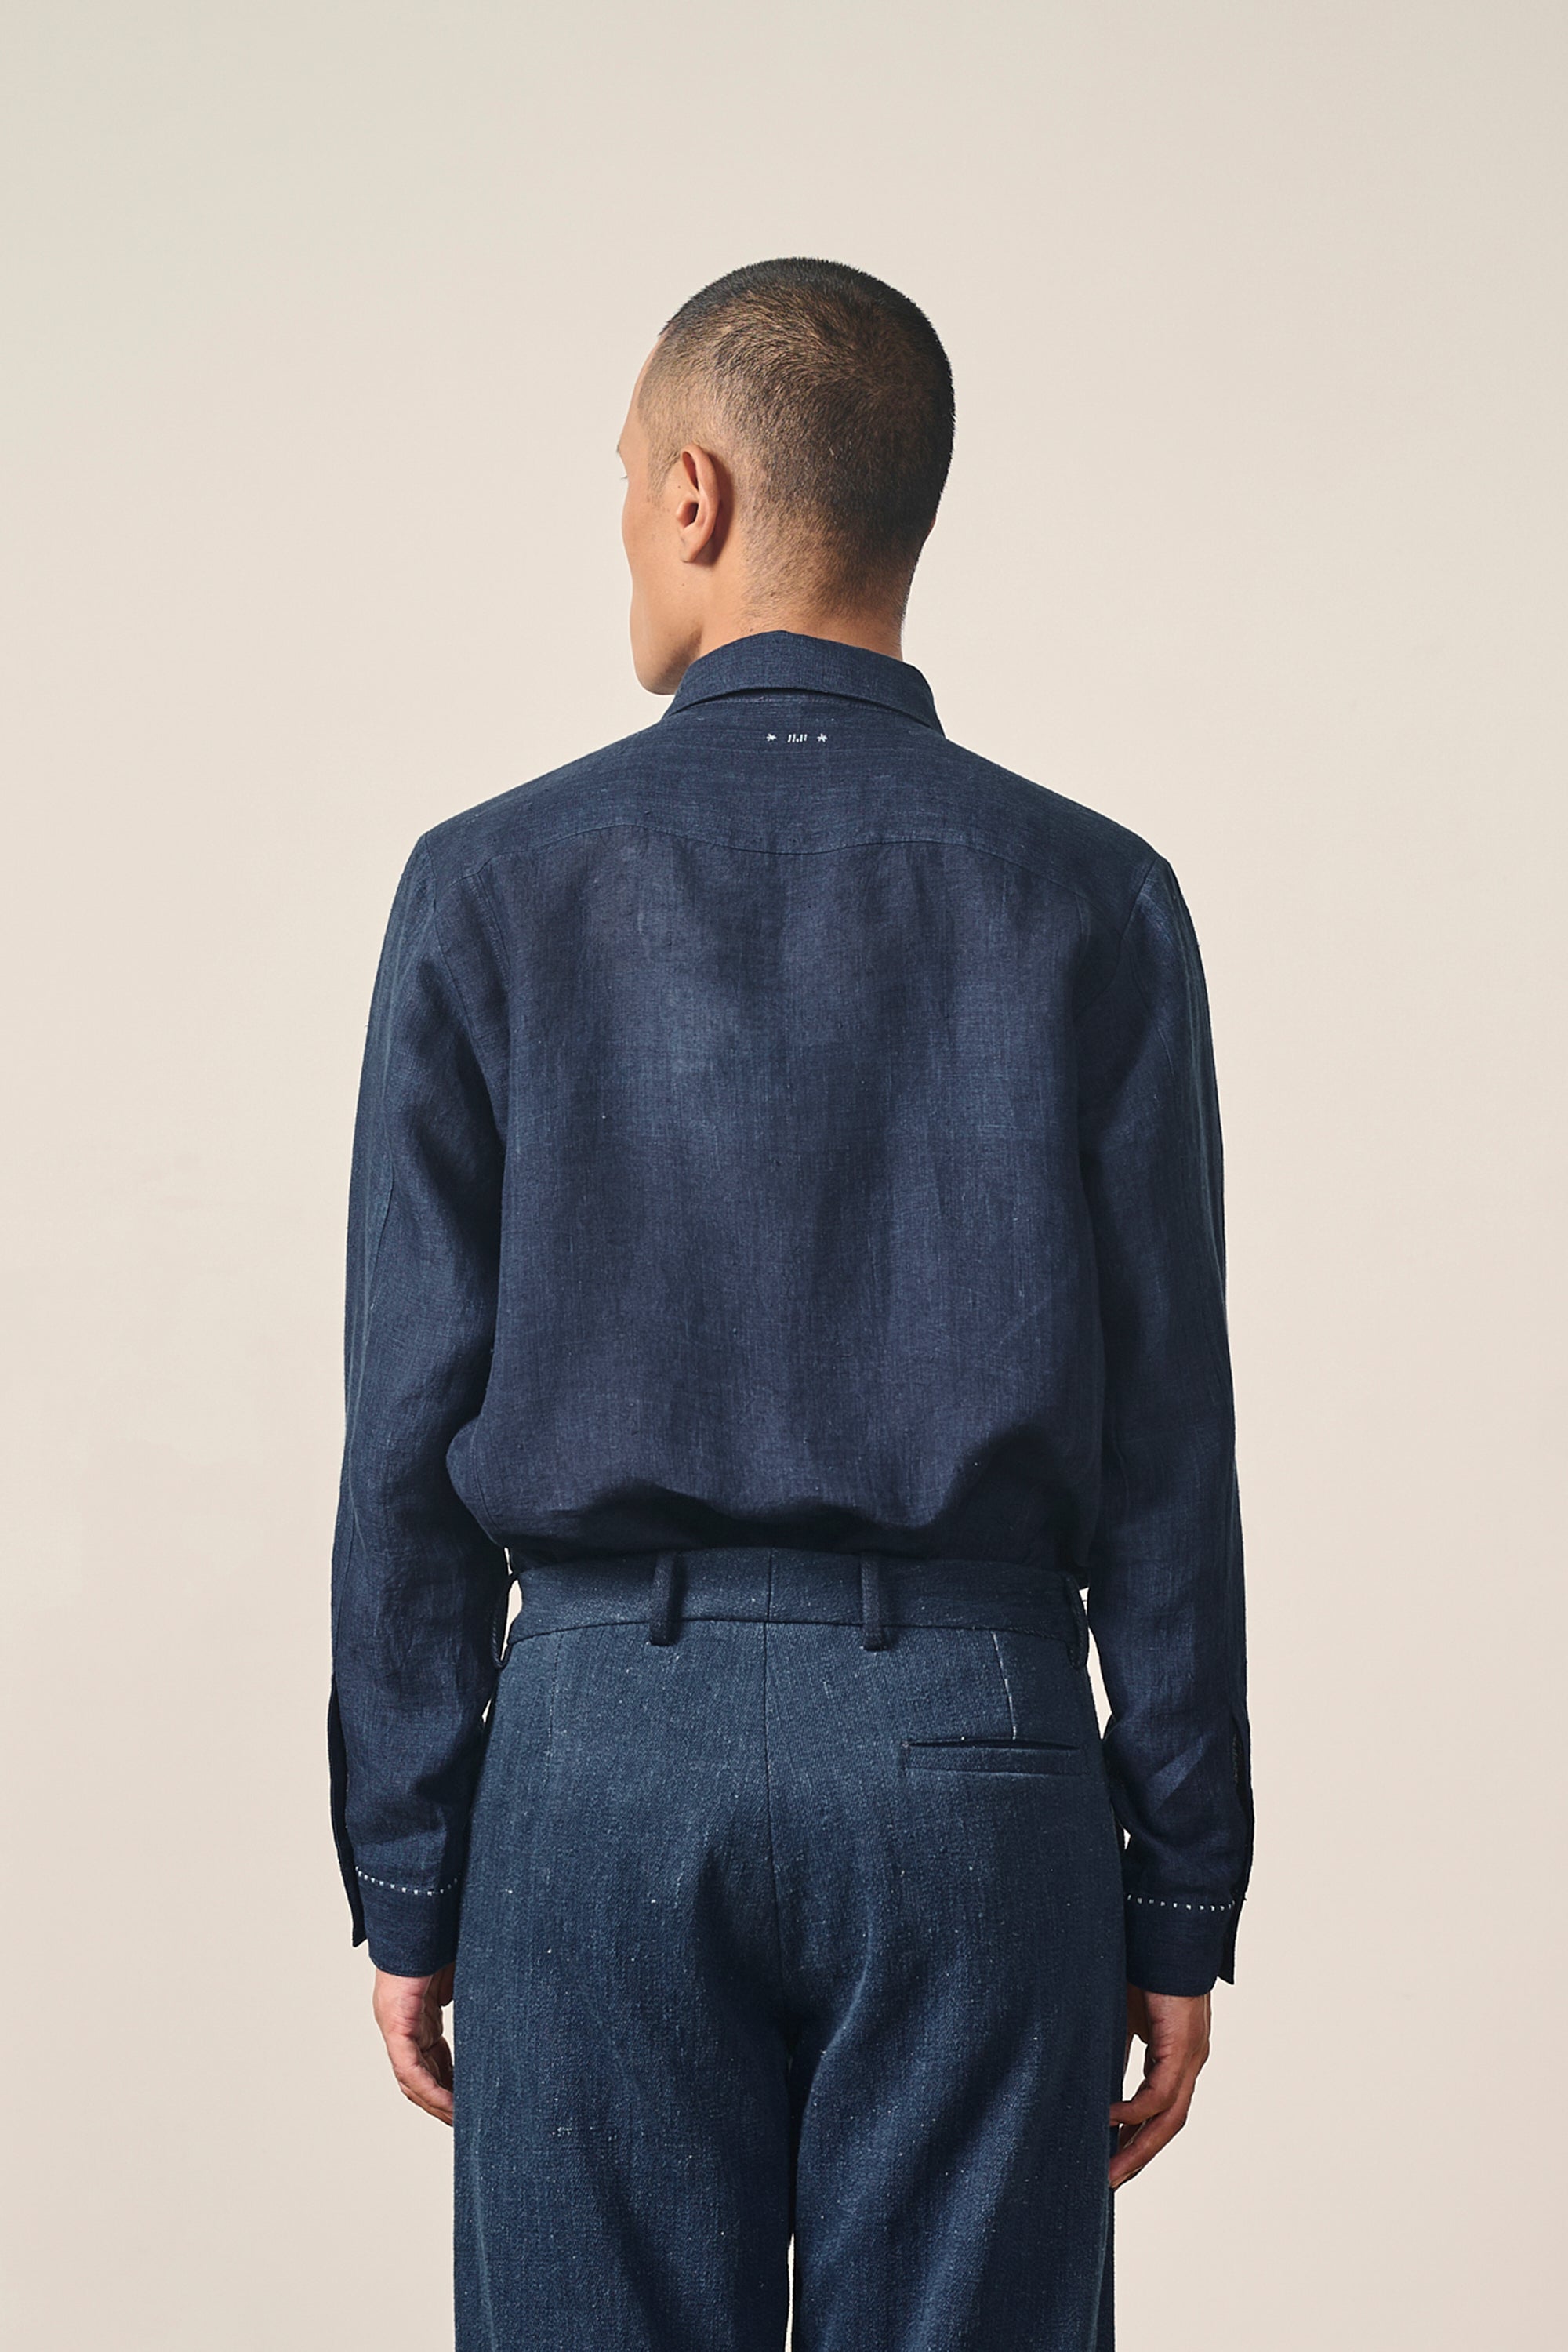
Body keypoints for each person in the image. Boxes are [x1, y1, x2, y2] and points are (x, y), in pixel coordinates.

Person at [327, 256, 1254, 2352]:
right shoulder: (1096, 896)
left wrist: (411, 1861)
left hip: (599, 1764)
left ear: (695, 492)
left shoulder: (487, 887)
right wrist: (1178, 1881)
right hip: (981, 1762)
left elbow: (407, 1433)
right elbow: (1168, 1445)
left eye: (619, 484)